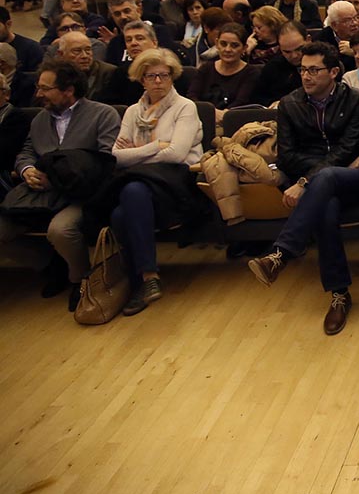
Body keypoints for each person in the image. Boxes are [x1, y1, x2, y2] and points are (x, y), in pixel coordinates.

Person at [245, 42, 359, 334]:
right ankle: (339, 295)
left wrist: (306, 181)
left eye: (314, 70)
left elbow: (348, 148)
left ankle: (281, 254)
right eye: (303, 70)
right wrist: (313, 176)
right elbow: (287, 155)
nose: (306, 76)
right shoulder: (289, 103)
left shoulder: (356, 99)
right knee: (325, 209)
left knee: (327, 179)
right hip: (314, 182)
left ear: (333, 72)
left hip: (351, 179)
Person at [0, 60, 120, 311]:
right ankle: (50, 264)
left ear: (68, 90)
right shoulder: (40, 120)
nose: (38, 94)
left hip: (81, 194)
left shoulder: (102, 114)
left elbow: (106, 160)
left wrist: (58, 176)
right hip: (39, 194)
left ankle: (80, 278)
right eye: (38, 87)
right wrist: (27, 170)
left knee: (61, 230)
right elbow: (27, 152)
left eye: (45, 88)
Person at [109, 49, 207, 316]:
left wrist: (137, 152)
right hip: (143, 185)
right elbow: (116, 157)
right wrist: (156, 146)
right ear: (142, 80)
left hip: (176, 183)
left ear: (172, 77)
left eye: (164, 75)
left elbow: (176, 155)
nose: (158, 81)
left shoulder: (184, 107)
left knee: (128, 198)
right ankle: (145, 279)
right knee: (122, 210)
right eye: (151, 76)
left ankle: (141, 278)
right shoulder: (132, 112)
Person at [187, 23, 261, 114]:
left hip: (233, 120)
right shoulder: (206, 68)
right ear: (217, 43)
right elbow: (192, 96)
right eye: (223, 44)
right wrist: (211, 113)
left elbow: (241, 102)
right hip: (202, 117)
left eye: (234, 45)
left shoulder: (251, 73)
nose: (227, 49)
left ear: (244, 48)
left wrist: (222, 115)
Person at [251, 21, 305, 107]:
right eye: (287, 52)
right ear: (279, 47)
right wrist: (273, 103)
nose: (294, 56)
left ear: (308, 40)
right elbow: (258, 98)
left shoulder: (323, 62)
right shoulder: (273, 67)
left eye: (299, 49)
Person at [57, 30, 116, 100]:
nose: (84, 56)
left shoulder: (109, 72)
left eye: (88, 50)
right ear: (61, 54)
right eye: (77, 51)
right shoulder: (53, 74)